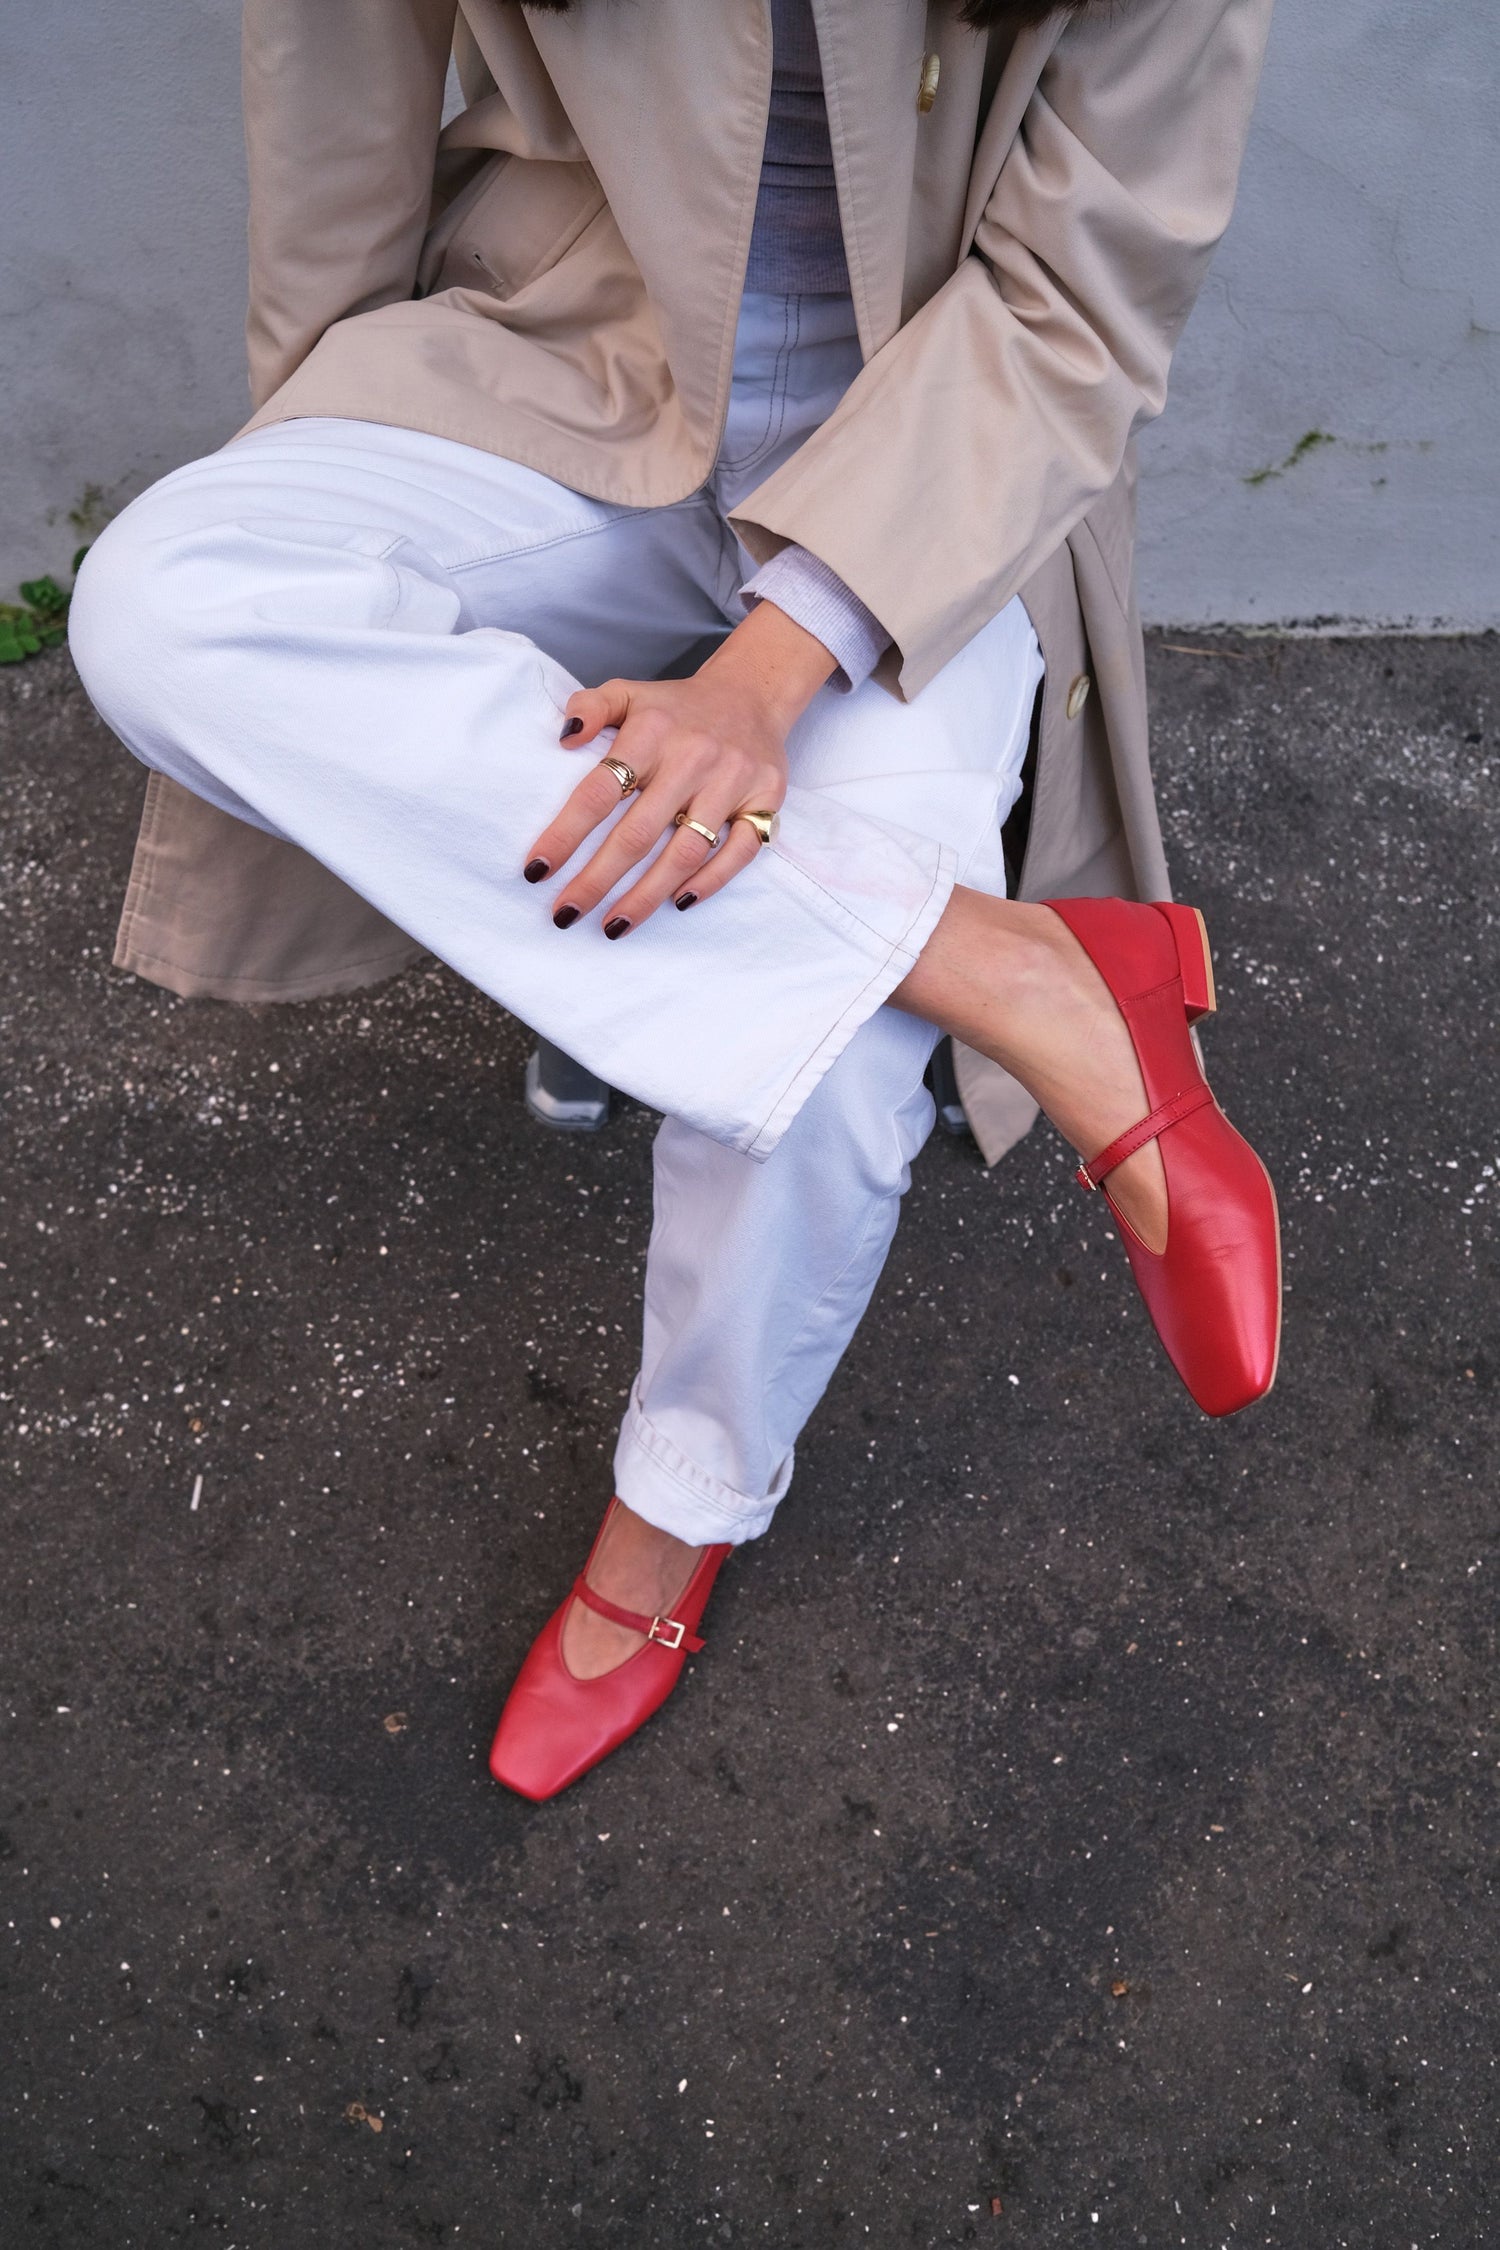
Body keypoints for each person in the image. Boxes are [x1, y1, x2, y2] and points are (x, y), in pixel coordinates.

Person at [69, 0, 1280, 1801]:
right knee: (166, 598)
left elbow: (1077, 306)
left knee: (835, 1062)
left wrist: (771, 668)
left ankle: (676, 1511)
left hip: (936, 468)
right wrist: (337, 496)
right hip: (562, 370)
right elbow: (333, 138)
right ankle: (998, 964)